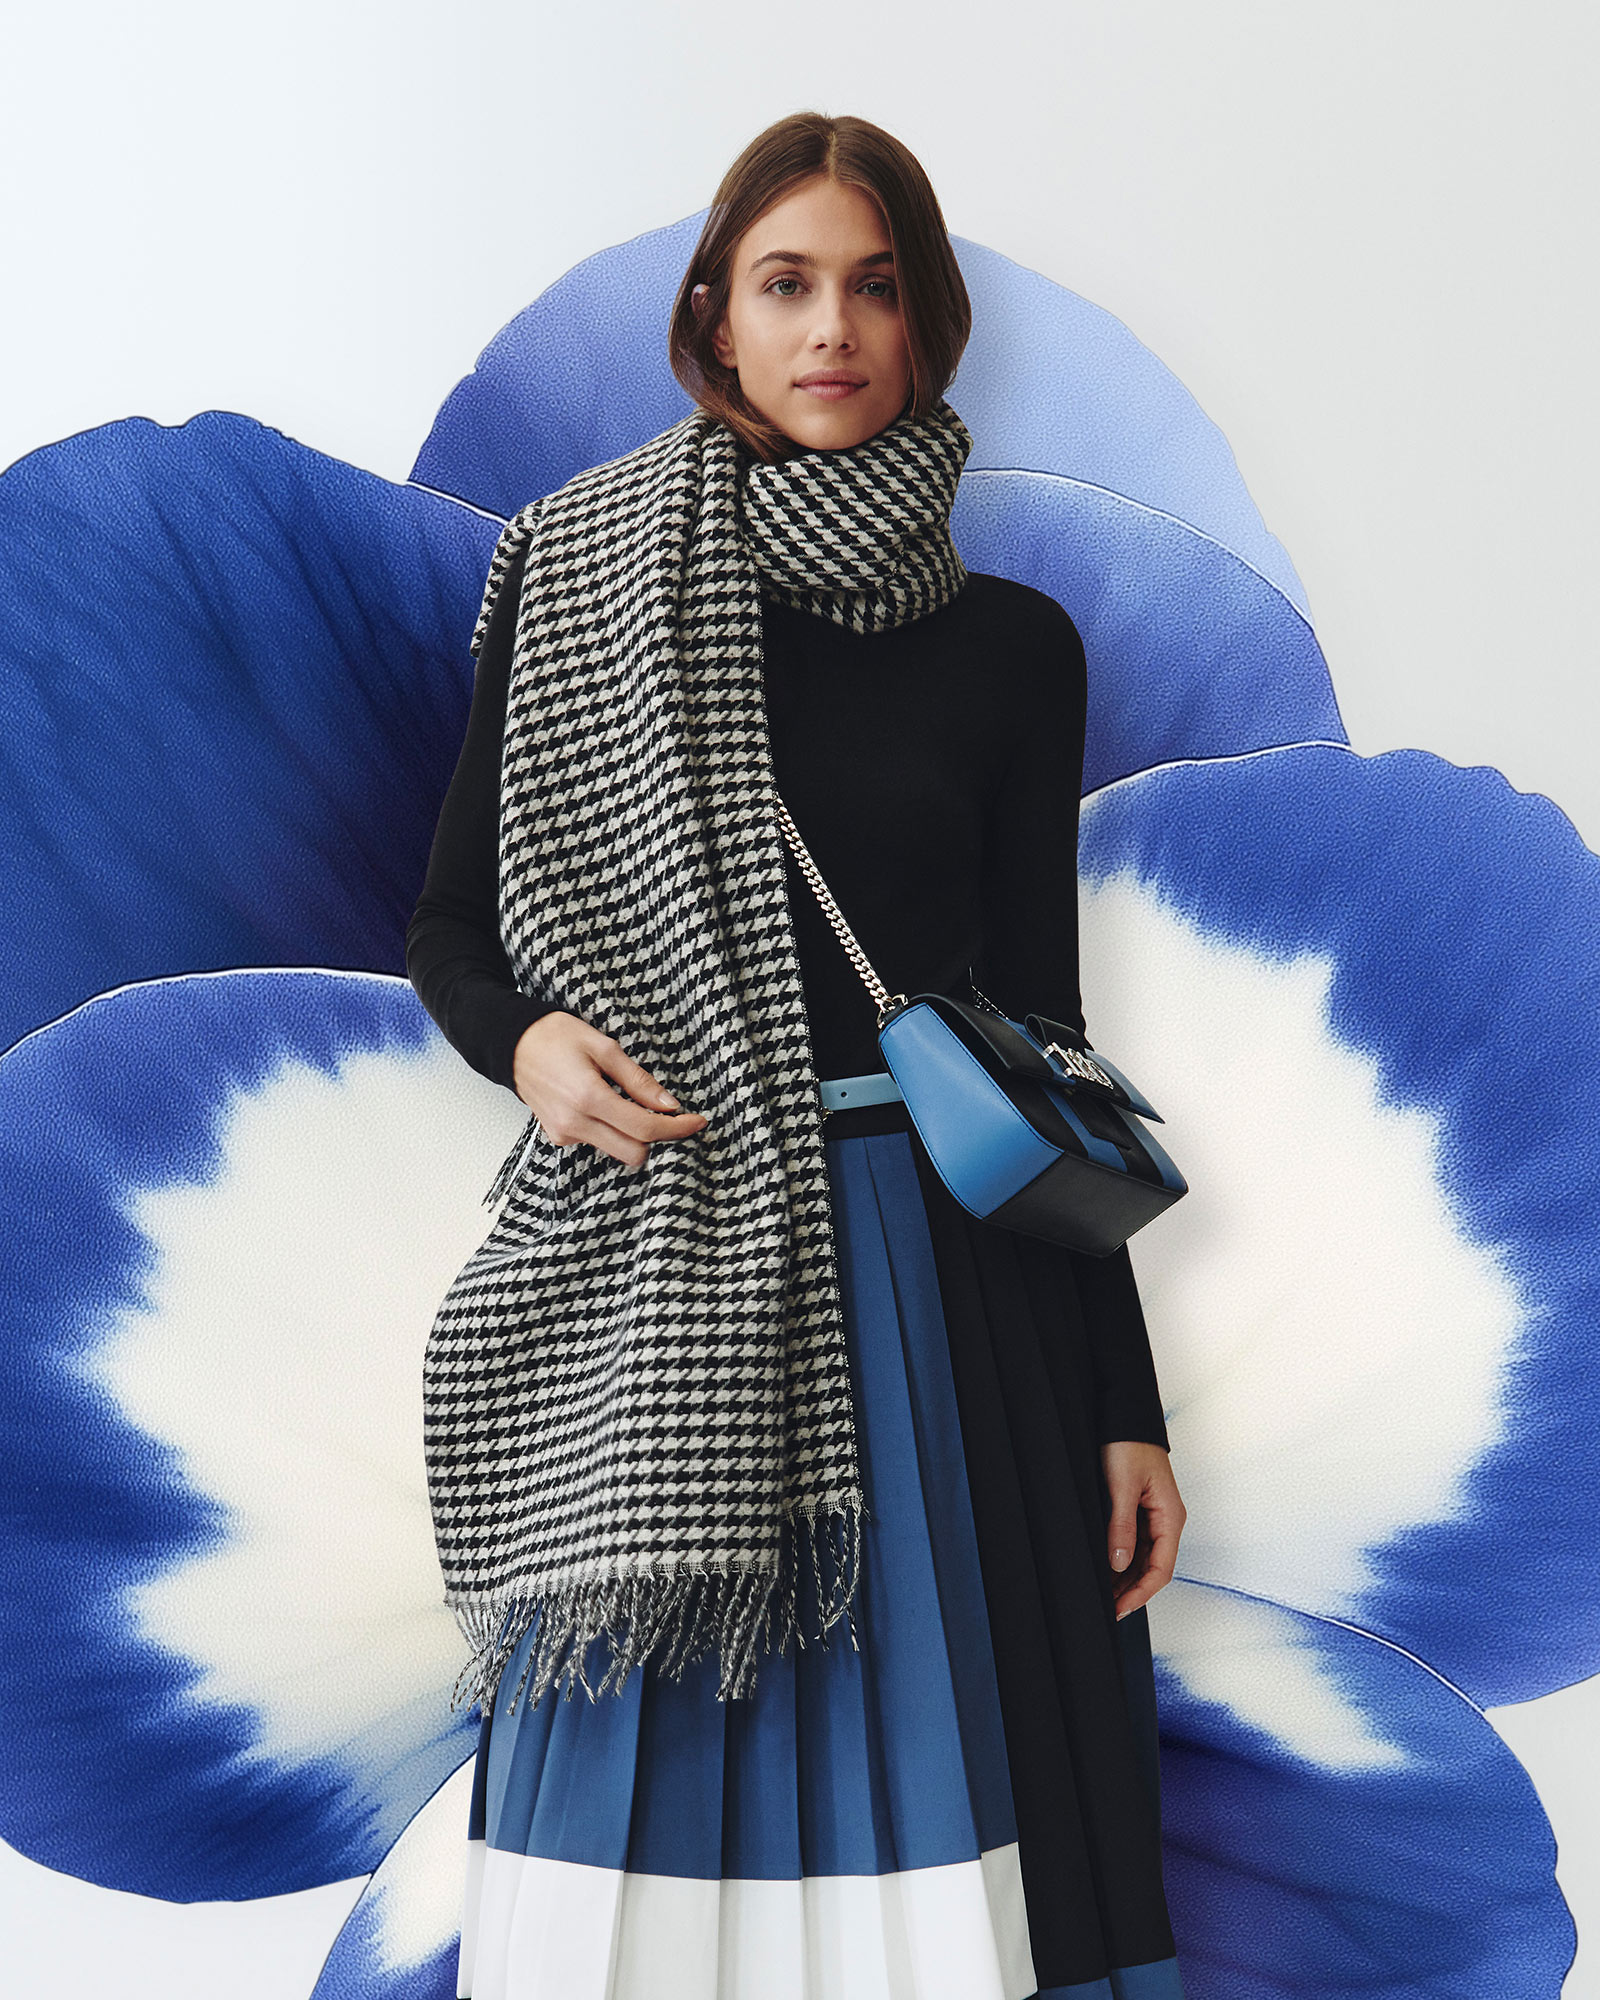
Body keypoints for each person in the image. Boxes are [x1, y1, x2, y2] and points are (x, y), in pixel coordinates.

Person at [407, 108, 1187, 2000]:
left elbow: (1040, 1043)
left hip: (950, 1295)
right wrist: (530, 1052)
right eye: (786, 284)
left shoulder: (1017, 647)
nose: (831, 326)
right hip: (671, 1261)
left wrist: (1123, 1402)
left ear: (922, 330)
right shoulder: (584, 579)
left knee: (977, 1779)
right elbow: (447, 931)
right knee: (648, 1839)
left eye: (874, 287)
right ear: (716, 319)